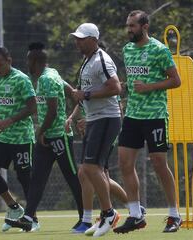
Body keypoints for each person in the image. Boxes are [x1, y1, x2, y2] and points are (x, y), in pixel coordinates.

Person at [113, 10, 182, 234]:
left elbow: (176, 80)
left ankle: (174, 215)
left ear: (144, 26)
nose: (129, 30)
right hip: (133, 115)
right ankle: (135, 215)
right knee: (124, 163)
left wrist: (149, 87)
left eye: (132, 25)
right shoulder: (127, 49)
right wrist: (125, 88)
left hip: (155, 116)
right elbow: (133, 81)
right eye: (127, 25)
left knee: (159, 164)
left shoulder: (159, 50)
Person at [4, 42, 83, 232]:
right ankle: (28, 218)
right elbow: (70, 91)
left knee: (72, 177)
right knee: (37, 178)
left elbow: (53, 112)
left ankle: (85, 217)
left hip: (58, 137)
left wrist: (41, 131)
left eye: (28, 61)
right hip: (46, 138)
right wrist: (74, 101)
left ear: (35, 61)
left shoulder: (47, 80)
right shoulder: (52, 73)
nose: (27, 65)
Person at [69, 23, 122, 237]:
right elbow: (88, 91)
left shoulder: (102, 59)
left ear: (93, 39)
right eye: (76, 38)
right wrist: (86, 117)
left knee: (91, 168)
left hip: (107, 118)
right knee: (91, 169)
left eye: (81, 38)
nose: (77, 42)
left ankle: (109, 214)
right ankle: (106, 214)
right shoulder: (86, 61)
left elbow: (115, 87)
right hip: (96, 119)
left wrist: (87, 96)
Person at [66, 103, 146, 235]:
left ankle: (95, 217)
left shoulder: (107, 82)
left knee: (89, 171)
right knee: (96, 174)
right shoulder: (87, 84)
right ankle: (127, 209)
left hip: (105, 128)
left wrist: (90, 122)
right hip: (93, 127)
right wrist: (72, 118)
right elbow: (81, 100)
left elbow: (116, 104)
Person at [0, 47, 37, 232]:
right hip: (3, 137)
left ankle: (32, 219)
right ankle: (14, 208)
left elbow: (32, 107)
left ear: (9, 61)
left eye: (0, 64)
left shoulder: (21, 79)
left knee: (24, 177)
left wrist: (9, 120)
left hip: (22, 137)